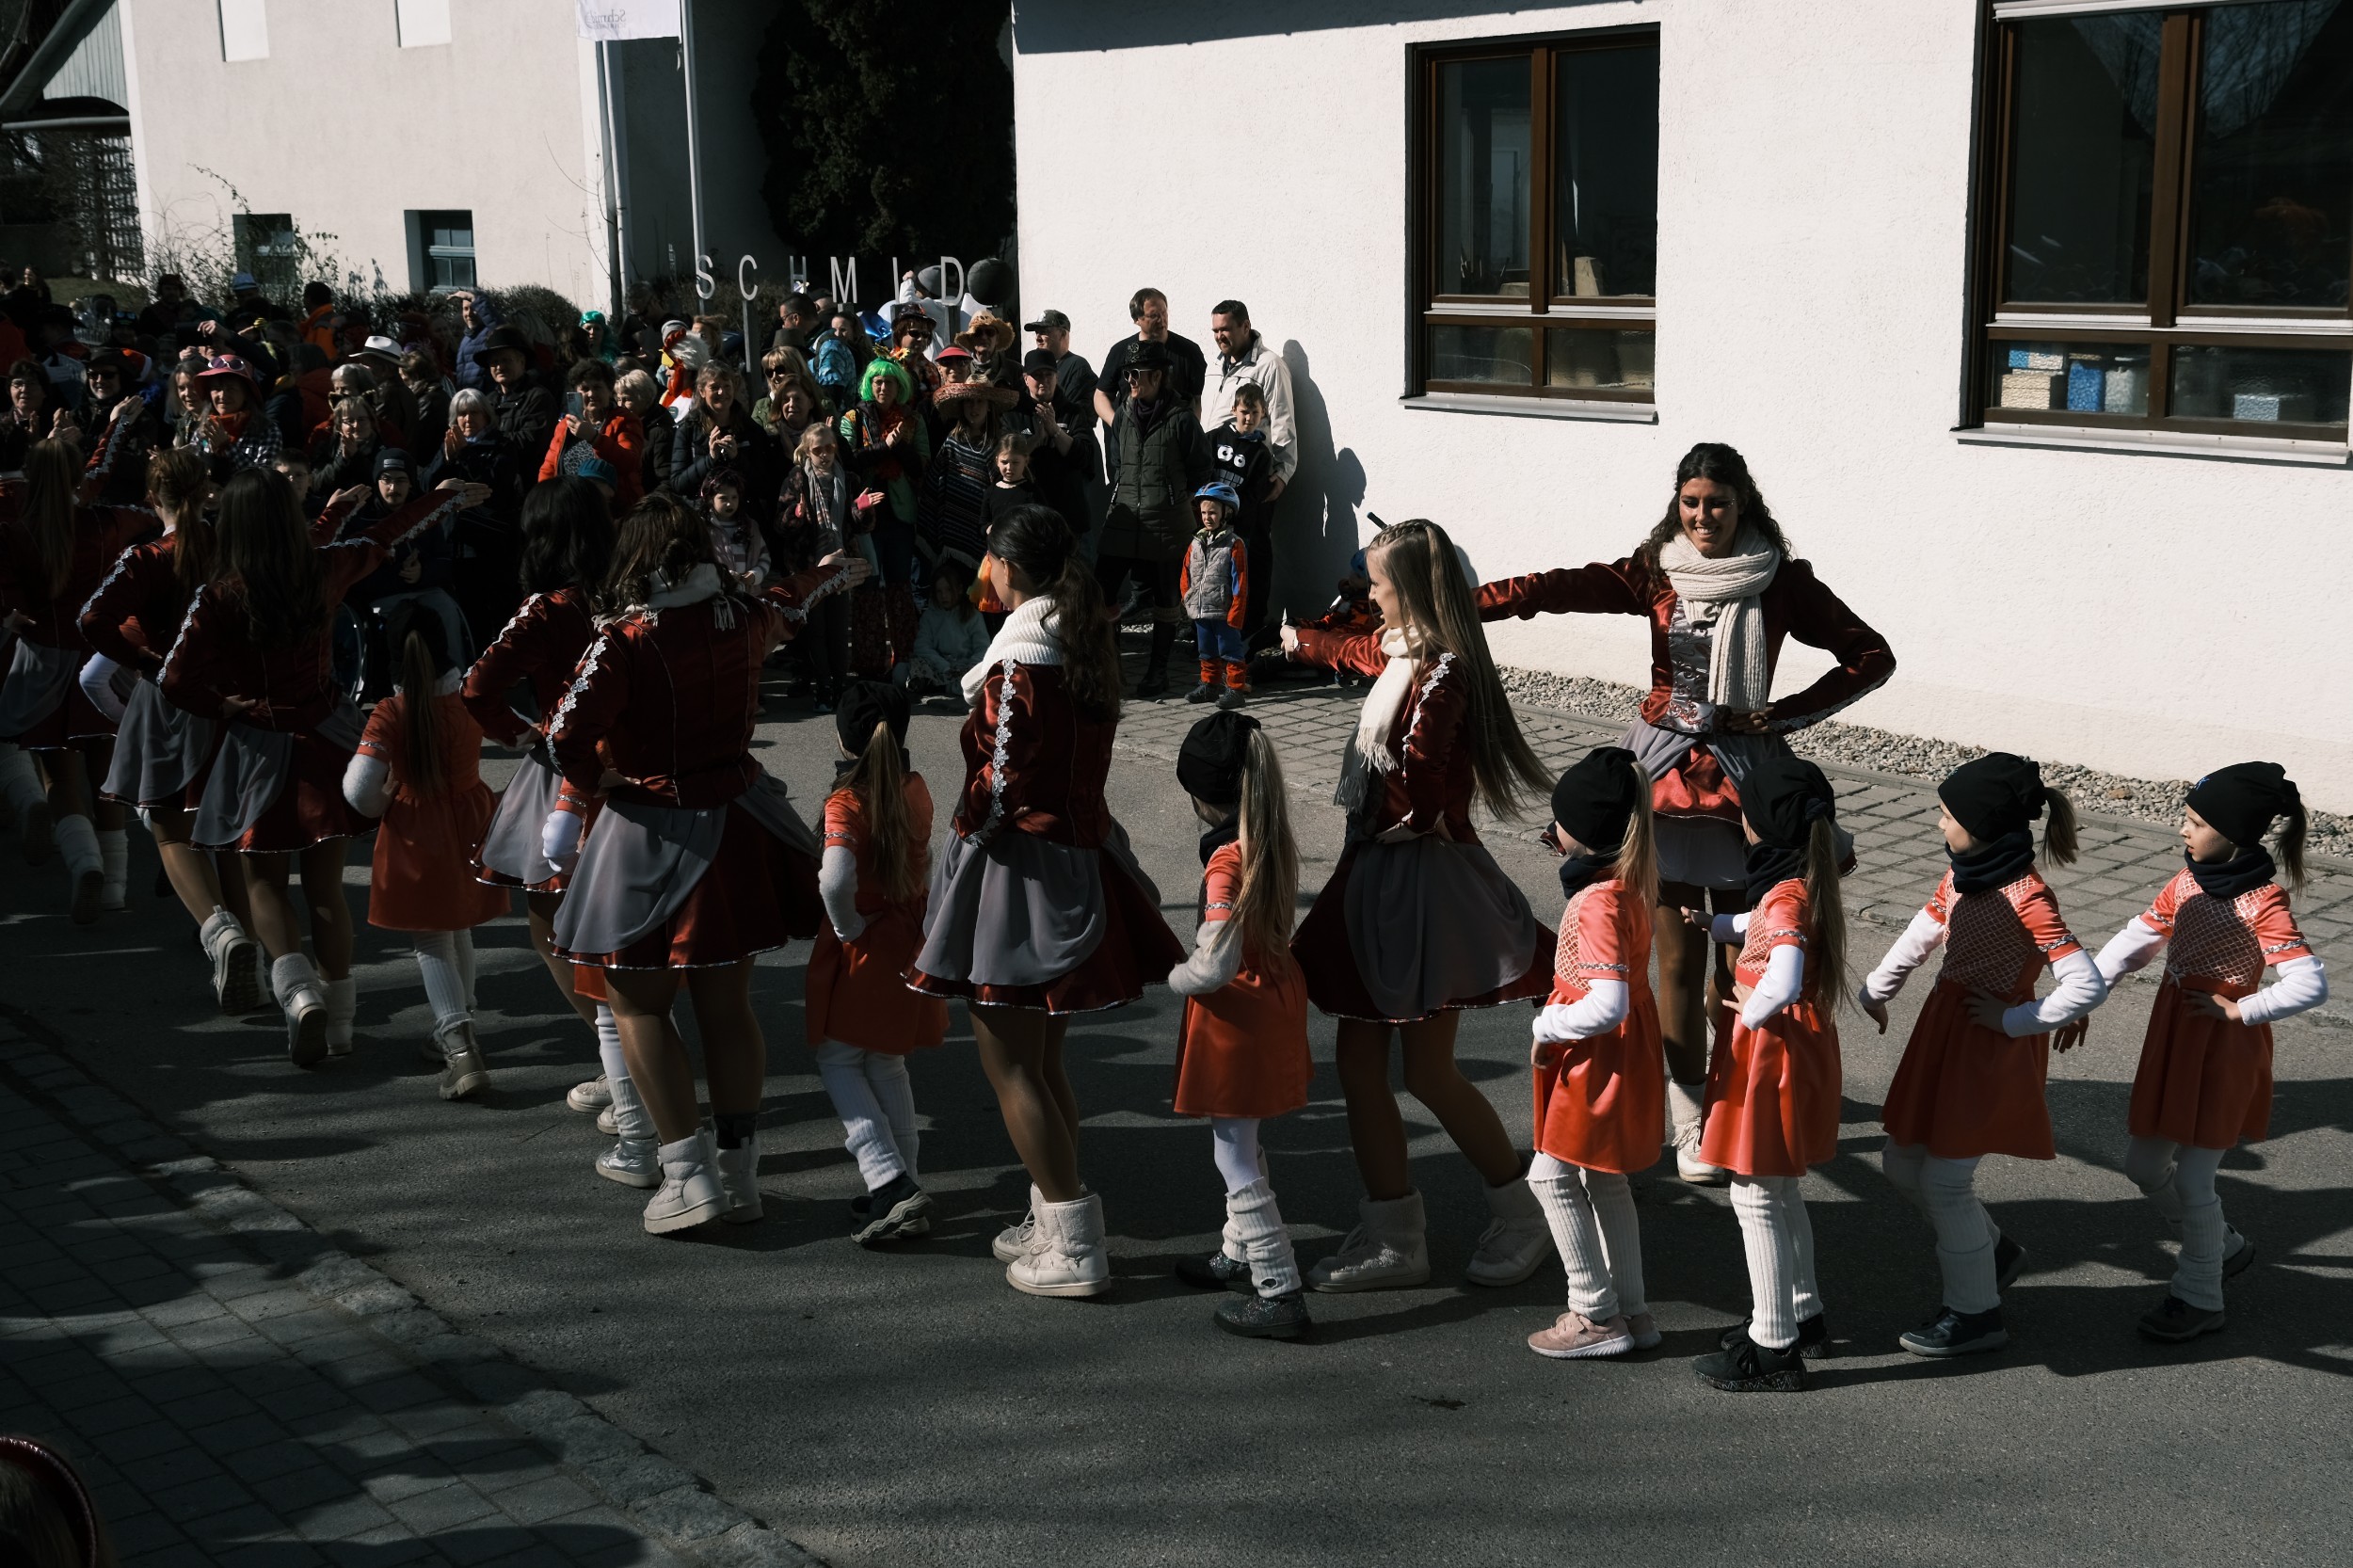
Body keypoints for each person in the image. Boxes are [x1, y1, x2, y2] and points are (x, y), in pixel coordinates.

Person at [1478, 442, 1895, 1184]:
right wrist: (1464, 602)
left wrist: (1780, 715)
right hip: (1664, 775)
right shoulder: (1654, 571)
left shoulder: (1782, 580)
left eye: (1718, 504)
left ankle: (1736, 1102)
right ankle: (1687, 1118)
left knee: (1741, 962)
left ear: (1744, 505)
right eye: (1692, 503)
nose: (1704, 517)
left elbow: (1870, 656)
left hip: (1743, 781)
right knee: (1674, 960)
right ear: (1678, 504)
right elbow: (1552, 588)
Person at [543, 494, 865, 1233]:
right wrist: (827, 573)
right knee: (727, 1007)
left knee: (637, 1003)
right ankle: (739, 1175)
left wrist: (600, 778)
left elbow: (564, 734)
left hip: (648, 828)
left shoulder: (625, 638)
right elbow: (786, 600)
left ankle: (687, 1175)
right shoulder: (742, 615)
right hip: (737, 823)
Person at [909, 505, 1185, 1296]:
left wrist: (966, 838)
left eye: (990, 559)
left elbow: (1000, 784)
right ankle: (1051, 1210)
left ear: (1011, 568)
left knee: (1009, 1065)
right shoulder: (1079, 641)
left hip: (1018, 871)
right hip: (1075, 854)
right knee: (1043, 1059)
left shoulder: (1020, 664)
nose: (983, 573)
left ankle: (1073, 1242)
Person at [1278, 518, 1556, 1292]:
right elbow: (1356, 651)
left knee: (1429, 1072)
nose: (1369, 596)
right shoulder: (1405, 654)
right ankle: (1394, 1234)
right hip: (1379, 871)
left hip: (1419, 880)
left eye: (1378, 585)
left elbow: (1425, 777)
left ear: (1412, 589)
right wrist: (1301, 640)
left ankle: (1524, 1215)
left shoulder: (1442, 673)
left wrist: (1412, 814)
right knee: (1359, 1064)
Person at [162, 469, 486, 1064]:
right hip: (326, 738)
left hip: (255, 747)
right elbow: (384, 536)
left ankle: (297, 989)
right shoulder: (323, 569)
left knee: (264, 883)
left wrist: (223, 703)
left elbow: (174, 678)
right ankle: (339, 1024)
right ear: (290, 520)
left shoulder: (217, 595)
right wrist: (440, 498)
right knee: (326, 889)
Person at [1858, 754, 2105, 1359]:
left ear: (1985, 823)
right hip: (1946, 1032)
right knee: (1901, 1163)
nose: (1939, 824)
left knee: (1944, 1182)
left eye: (1948, 815)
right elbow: (1925, 929)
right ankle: (1993, 1252)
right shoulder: (1962, 873)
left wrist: (2017, 1018)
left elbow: (2085, 984)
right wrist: (1876, 989)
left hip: (1990, 1048)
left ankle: (1975, 1314)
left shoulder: (2028, 896)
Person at [2091, 763, 2328, 1343]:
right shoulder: (2186, 881)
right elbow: (2139, 938)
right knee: (2143, 1166)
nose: (2183, 830)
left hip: (2223, 1048)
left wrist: (2240, 1010)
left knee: (2196, 1181)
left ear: (2236, 833)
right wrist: (2082, 996)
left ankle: (2199, 1296)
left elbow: (2309, 984)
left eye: (2196, 822)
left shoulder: (2263, 902)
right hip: (2175, 1039)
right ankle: (2221, 1245)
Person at [463, 478, 643, 1179]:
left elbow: (478, 688)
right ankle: (626, 1058)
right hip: (639, 770)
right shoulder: (632, 591)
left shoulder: (548, 608)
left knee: (555, 923)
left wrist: (524, 733)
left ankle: (625, 1068)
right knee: (626, 924)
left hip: (568, 774)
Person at [1686, 752, 1849, 1394]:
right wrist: (1715, 924)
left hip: (1770, 1054)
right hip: (1792, 1051)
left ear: (1761, 826)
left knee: (1753, 1194)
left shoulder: (1785, 895)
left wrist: (1750, 1009)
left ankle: (1772, 1345)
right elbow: (1758, 926)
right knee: (1780, 1190)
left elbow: (1781, 972)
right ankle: (1802, 1315)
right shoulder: (1803, 882)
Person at [80, 446, 262, 1009]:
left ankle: (221, 932)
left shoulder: (149, 557)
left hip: (167, 698)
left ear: (152, 498)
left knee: (170, 831)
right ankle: (254, 958)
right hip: (231, 699)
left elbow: (93, 618)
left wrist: (140, 660)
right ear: (205, 492)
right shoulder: (232, 547)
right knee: (225, 833)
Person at [1165, 710, 1314, 1340]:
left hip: (1238, 1016)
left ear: (1203, 796)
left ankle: (1278, 1287)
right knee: (1244, 1140)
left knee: (1232, 1155)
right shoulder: (1269, 838)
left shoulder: (1225, 860)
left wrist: (1176, 976)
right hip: (1272, 996)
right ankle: (1239, 1250)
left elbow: (1216, 961)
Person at [1523, 745, 1666, 1361]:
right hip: (1621, 1053)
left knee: (1549, 1176)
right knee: (1606, 1179)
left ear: (1582, 830)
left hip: (1595, 1056)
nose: (1552, 828)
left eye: (1559, 818)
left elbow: (1606, 1004)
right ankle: (1633, 1311)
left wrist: (1549, 1023)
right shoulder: (1628, 886)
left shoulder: (1597, 902)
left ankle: (1594, 1312)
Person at [344, 607, 510, 1098]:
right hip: (472, 820)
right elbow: (522, 731)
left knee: (431, 939)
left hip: (419, 829)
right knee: (458, 925)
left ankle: (459, 1045)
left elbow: (358, 789)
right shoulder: (468, 699)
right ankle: (461, 1020)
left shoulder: (390, 712)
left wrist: (382, 804)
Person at [809, 680, 948, 1244]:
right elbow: (926, 858)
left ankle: (887, 1179)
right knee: (888, 1062)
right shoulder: (915, 787)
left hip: (865, 945)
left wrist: (847, 928)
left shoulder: (845, 801)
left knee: (839, 1059)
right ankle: (906, 1182)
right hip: (908, 937)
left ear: (844, 740)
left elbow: (834, 880)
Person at [0, 420, 152, 920]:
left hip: (43, 664)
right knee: (105, 775)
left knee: (59, 777)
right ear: (75, 478)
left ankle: (85, 864)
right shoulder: (108, 521)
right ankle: (114, 888)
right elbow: (151, 514)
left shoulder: (17, 534)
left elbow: (11, 602)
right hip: (100, 663)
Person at [1096, 342, 1210, 697]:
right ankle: (1111, 669)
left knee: (1166, 597)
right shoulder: (1123, 415)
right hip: (1124, 517)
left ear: (1158, 376)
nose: (1129, 380)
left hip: (1167, 521)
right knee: (1100, 590)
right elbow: (1118, 463)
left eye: (1136, 374)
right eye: (1126, 374)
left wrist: (1176, 498)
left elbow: (1200, 468)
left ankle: (1158, 672)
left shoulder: (1182, 419)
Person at [839, 357, 929, 664]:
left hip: (900, 518)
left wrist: (898, 446)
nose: (883, 387)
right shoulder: (852, 418)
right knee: (867, 589)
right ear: (869, 384)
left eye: (889, 381)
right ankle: (869, 662)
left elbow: (921, 466)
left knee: (900, 588)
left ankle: (904, 661)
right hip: (865, 518)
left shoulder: (913, 420)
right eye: (877, 381)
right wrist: (884, 447)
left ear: (899, 386)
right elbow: (848, 461)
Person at [778, 424, 855, 710]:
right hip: (809, 567)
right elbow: (781, 525)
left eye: (829, 447)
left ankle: (840, 685)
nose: (824, 454)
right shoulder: (797, 478)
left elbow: (854, 526)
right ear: (807, 452)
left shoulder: (846, 478)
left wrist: (860, 511)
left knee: (838, 630)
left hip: (839, 562)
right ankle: (823, 686)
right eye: (817, 449)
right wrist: (796, 513)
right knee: (816, 630)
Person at [1207, 382, 1280, 644]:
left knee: (1233, 583)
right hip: (1207, 526)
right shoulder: (1214, 438)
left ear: (1263, 414)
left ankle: (1231, 634)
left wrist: (1230, 515)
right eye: (1244, 412)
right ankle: (1203, 632)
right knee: (1207, 580)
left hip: (1238, 530)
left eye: (1255, 413)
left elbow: (1253, 495)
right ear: (1234, 410)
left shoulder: (1261, 454)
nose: (1248, 418)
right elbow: (1201, 473)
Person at [669, 363, 777, 527]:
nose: (722, 392)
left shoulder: (750, 429)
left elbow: (765, 485)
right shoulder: (688, 429)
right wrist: (710, 459)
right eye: (714, 387)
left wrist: (737, 458)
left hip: (744, 521)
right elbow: (678, 484)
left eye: (727, 386)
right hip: (702, 521)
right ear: (701, 391)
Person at [1179, 481, 1250, 710]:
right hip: (1200, 610)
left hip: (1223, 611)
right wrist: (1187, 598)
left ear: (1226, 513)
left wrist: (1236, 612)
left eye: (1212, 513)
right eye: (1203, 513)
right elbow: (1186, 572)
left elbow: (1240, 581)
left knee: (1231, 651)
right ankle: (1209, 686)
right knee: (1206, 650)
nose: (1207, 518)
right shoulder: (1195, 543)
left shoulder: (1234, 544)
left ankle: (1235, 690)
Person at [1094, 287, 1207, 428]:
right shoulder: (1120, 351)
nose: (1161, 320)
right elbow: (1101, 396)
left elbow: (1197, 399)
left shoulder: (1189, 351)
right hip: (1127, 437)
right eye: (1153, 315)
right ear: (1137, 319)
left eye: (1164, 312)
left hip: (1173, 435)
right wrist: (1118, 426)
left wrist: (1191, 430)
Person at [540, 359, 643, 509]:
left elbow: (630, 463)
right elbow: (549, 468)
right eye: (585, 388)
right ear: (576, 392)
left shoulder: (625, 420)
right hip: (569, 507)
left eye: (597, 387)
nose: (591, 393)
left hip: (613, 508)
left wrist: (594, 438)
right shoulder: (565, 425)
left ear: (609, 390)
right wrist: (544, 500)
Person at [894, 563, 989, 700]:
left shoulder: (973, 616)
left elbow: (983, 648)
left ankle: (943, 687)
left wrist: (970, 667)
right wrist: (943, 666)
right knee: (900, 672)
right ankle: (937, 685)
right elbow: (922, 646)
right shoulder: (929, 616)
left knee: (983, 678)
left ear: (959, 589)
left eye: (948, 590)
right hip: (938, 667)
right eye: (939, 591)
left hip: (964, 667)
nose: (944, 596)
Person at [189, 355, 283, 478]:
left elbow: (263, 478)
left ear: (246, 394)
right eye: (216, 389)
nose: (222, 395)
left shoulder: (267, 430)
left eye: (231, 389)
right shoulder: (204, 429)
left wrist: (227, 447)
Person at [478, 325, 557, 459]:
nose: (500, 367)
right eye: (494, 362)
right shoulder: (488, 400)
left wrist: (487, 439)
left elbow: (531, 442)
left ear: (522, 362)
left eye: (506, 360)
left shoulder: (538, 398)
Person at [702, 470, 767, 589]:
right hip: (717, 593)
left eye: (734, 497)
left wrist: (754, 575)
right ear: (710, 498)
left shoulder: (750, 526)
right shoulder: (704, 528)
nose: (729, 503)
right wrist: (723, 576)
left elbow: (764, 557)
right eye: (723, 498)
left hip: (748, 595)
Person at [615, 367, 674, 498]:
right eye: (618, 399)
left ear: (645, 399)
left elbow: (665, 480)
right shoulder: (622, 425)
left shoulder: (660, 432)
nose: (621, 405)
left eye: (627, 399)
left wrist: (644, 506)